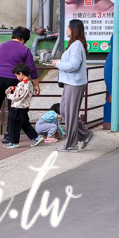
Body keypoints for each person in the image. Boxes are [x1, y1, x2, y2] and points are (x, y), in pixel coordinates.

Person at [0, 27, 39, 144]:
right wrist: (36, 84)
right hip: (14, 80)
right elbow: (31, 69)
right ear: (24, 39)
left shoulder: (0, 46)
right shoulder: (25, 50)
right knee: (13, 109)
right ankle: (8, 135)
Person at [51, 19, 96, 153]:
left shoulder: (76, 45)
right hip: (71, 82)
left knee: (69, 113)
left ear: (74, 29)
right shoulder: (75, 44)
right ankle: (86, 134)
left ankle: (71, 144)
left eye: (68, 27)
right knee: (65, 111)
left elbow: (74, 65)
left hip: (74, 83)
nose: (67, 30)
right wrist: (58, 62)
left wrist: (57, 64)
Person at [3, 64, 42, 149]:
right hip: (24, 107)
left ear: (21, 73)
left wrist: (9, 95)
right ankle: (36, 137)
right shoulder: (28, 82)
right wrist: (14, 88)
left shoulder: (22, 84)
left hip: (17, 107)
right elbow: (24, 92)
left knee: (13, 125)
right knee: (24, 124)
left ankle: (14, 142)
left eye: (16, 75)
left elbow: (17, 97)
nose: (16, 77)